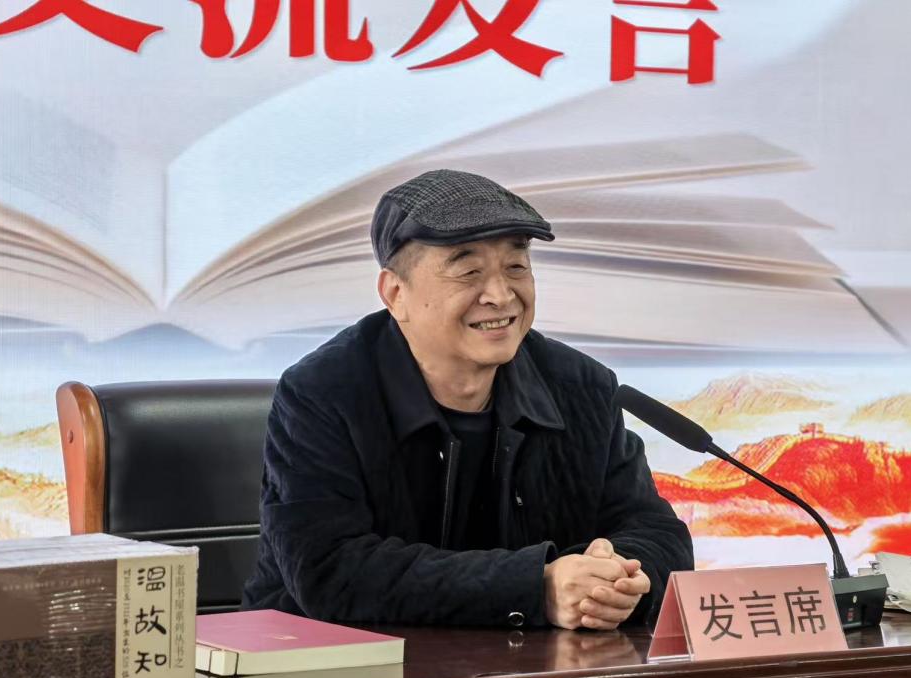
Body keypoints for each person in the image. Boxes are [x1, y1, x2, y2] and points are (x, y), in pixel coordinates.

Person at [242, 169, 693, 630]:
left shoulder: (582, 387)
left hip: (530, 663)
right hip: (328, 662)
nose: (500, 295)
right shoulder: (323, 393)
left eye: (516, 267)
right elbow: (331, 570)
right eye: (469, 271)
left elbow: (658, 533)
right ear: (395, 294)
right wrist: (535, 587)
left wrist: (612, 582)